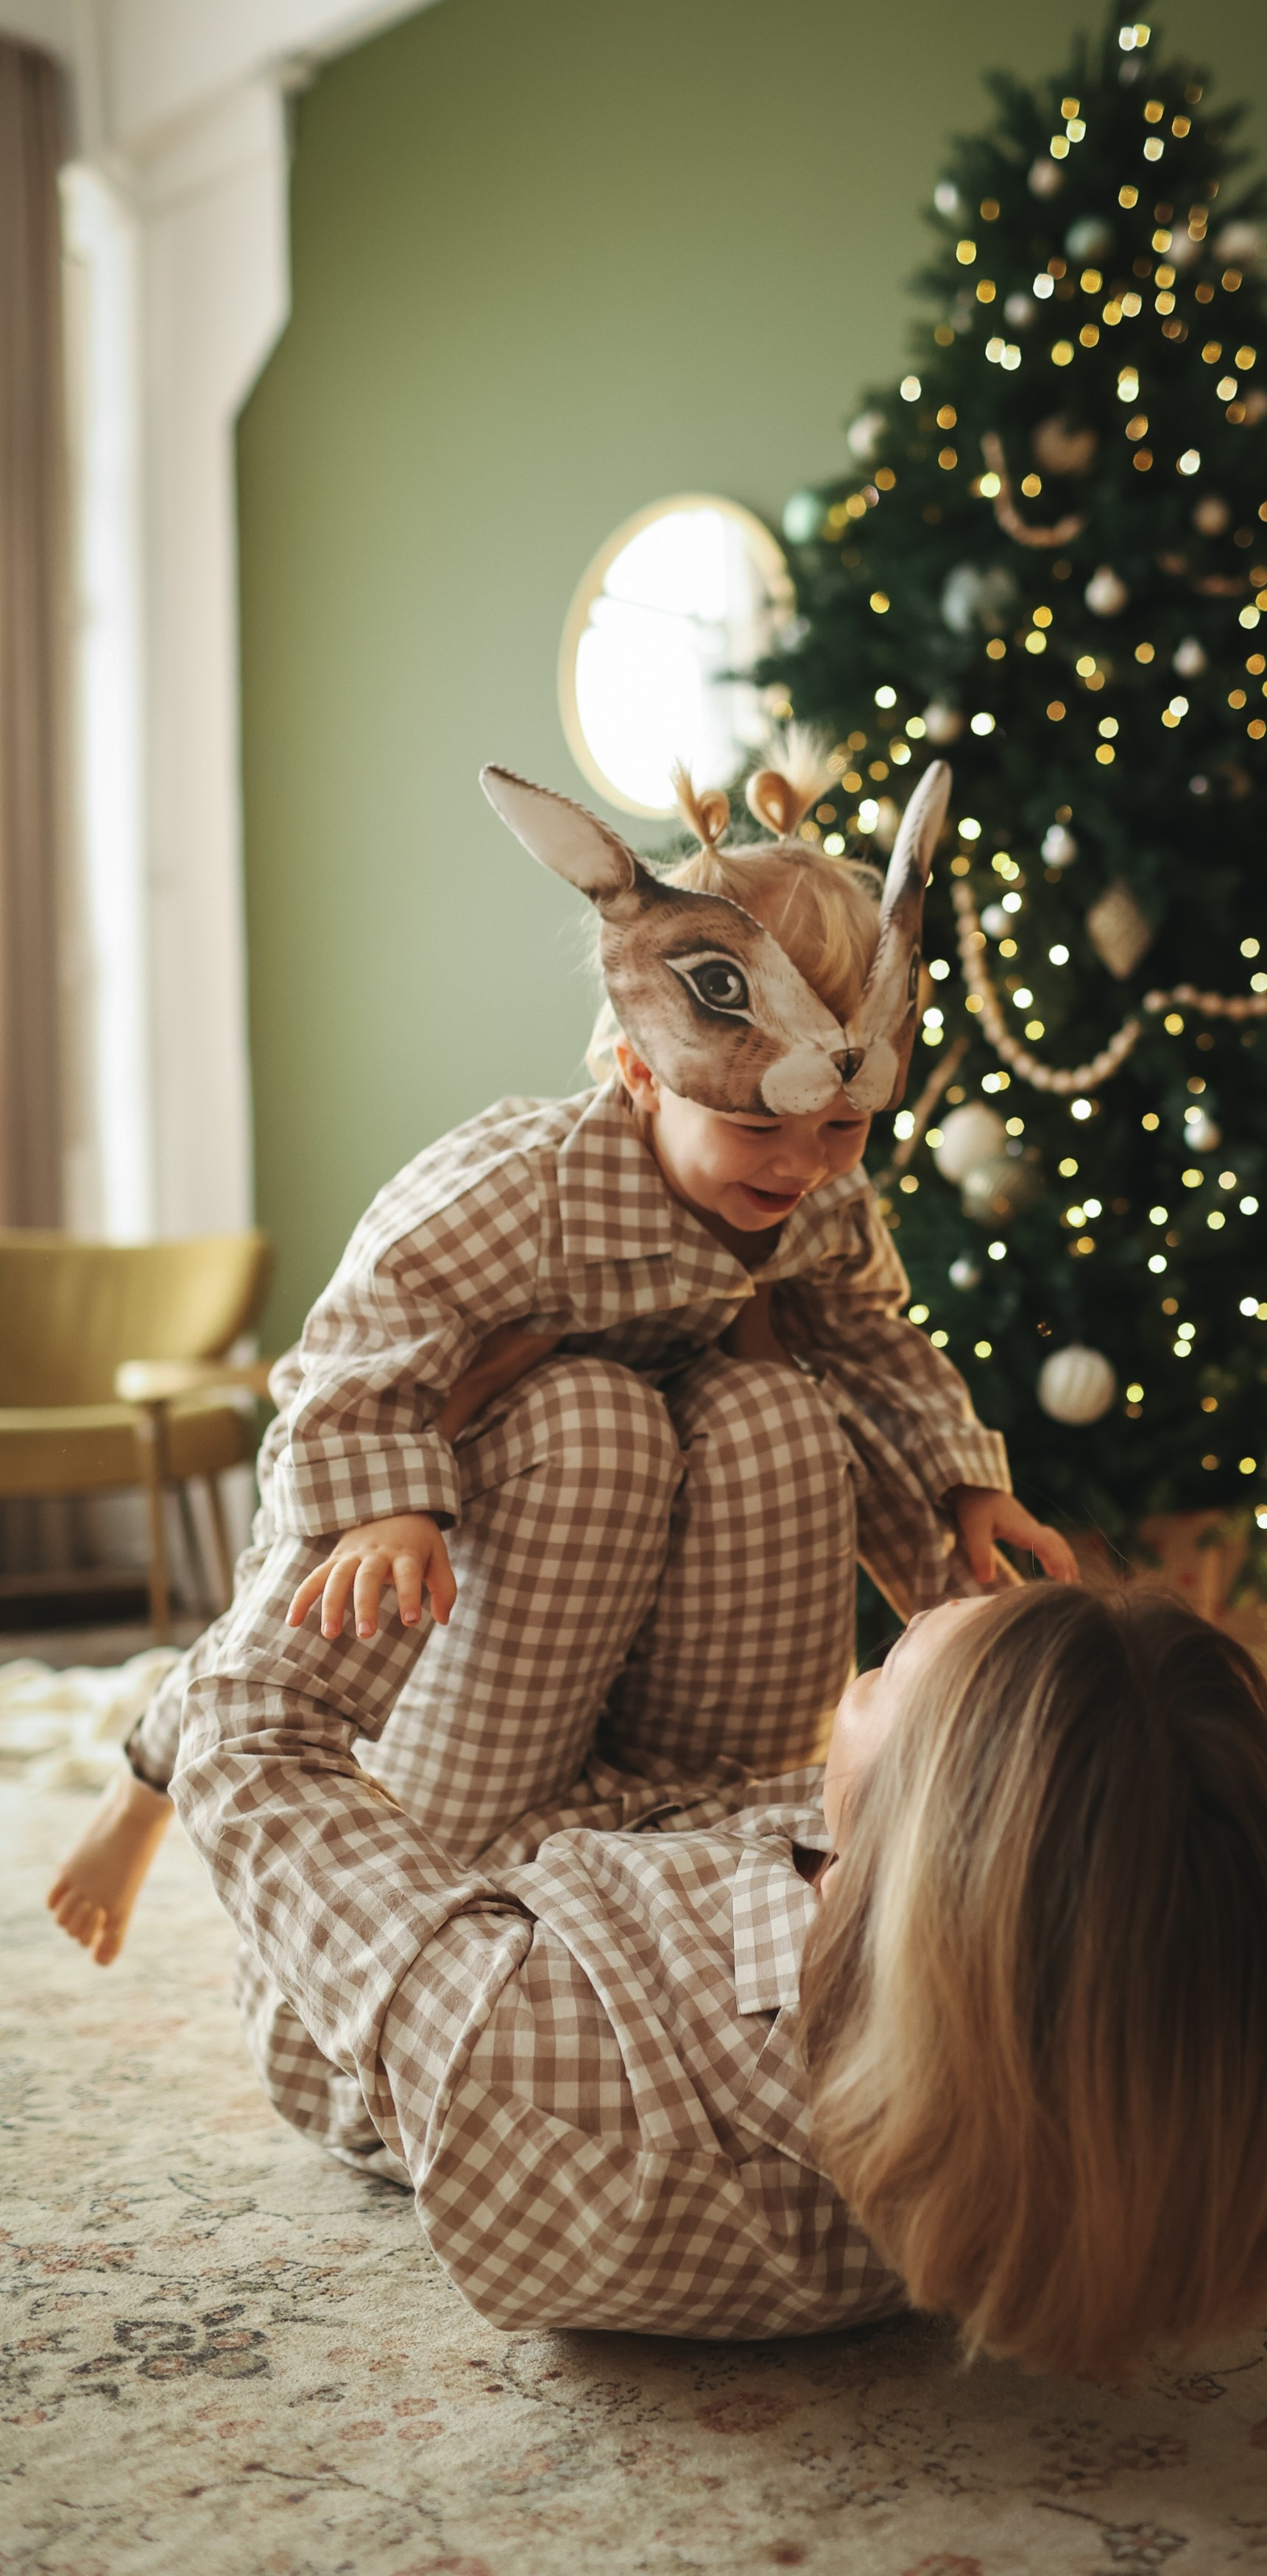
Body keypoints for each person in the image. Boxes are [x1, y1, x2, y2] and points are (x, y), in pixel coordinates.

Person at [48, 740, 1072, 1967]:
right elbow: (352, 1349)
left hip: (664, 1488)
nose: (801, 1166)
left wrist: (962, 1484)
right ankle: (147, 1792)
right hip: (456, 1447)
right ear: (641, 1072)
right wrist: (388, 1505)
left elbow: (871, 1349)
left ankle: (698, 1823)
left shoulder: (815, 1199)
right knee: (531, 1456)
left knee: (778, 1414)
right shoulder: (517, 1189)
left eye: (843, 1126)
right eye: (756, 1124)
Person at [167, 1571, 1267, 2374]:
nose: (880, 1653)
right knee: (757, 1414)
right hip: (630, 1838)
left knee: (576, 1422)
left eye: (886, 1673)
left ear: (918, 1850)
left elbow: (242, 1744)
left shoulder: (556, 2050)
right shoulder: (1041, 2056)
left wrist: (350, 1511)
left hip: (405, 1940)